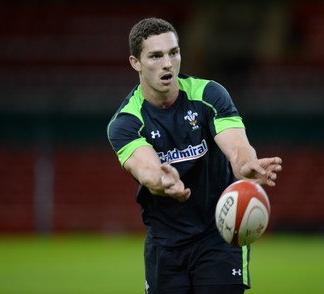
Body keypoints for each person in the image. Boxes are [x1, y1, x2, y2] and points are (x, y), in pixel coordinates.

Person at [107, 17, 282, 294]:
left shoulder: (209, 95)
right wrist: (160, 180)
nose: (167, 63)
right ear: (135, 63)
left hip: (218, 235)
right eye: (155, 56)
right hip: (165, 244)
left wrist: (245, 165)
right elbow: (144, 166)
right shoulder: (125, 122)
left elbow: (236, 146)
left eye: (173, 53)